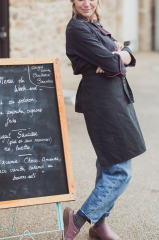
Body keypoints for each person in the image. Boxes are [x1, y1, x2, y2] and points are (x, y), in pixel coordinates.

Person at [64, 0, 146, 239]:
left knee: (108, 164)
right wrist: (115, 57)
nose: (86, 3)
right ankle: (78, 219)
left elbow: (124, 55)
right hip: (102, 104)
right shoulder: (77, 28)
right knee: (120, 171)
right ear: (72, 1)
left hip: (116, 99)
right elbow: (113, 62)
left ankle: (99, 225)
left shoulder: (94, 24)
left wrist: (120, 54)